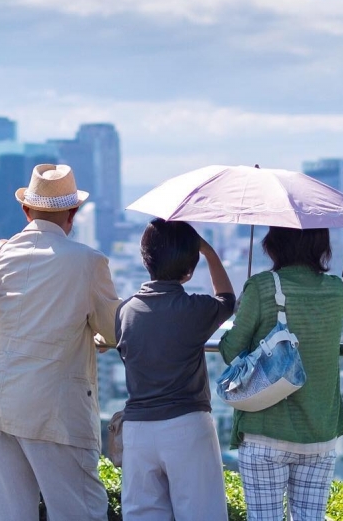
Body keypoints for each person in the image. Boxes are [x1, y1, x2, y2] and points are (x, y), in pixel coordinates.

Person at [0, 164, 120, 521]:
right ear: (73, 214)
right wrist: (97, 336)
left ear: (25, 210)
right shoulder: (89, 262)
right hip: (55, 410)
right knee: (80, 512)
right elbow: (115, 331)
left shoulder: (0, 254)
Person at [218, 227, 343, 521]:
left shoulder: (262, 286)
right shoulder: (336, 289)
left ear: (274, 244)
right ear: (321, 245)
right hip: (320, 432)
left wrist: (242, 310)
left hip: (266, 431)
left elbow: (230, 351)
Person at [116, 219, 235, 521]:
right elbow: (227, 300)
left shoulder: (125, 311)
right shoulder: (194, 310)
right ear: (189, 269)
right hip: (187, 425)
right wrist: (208, 251)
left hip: (137, 431)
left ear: (145, 259)